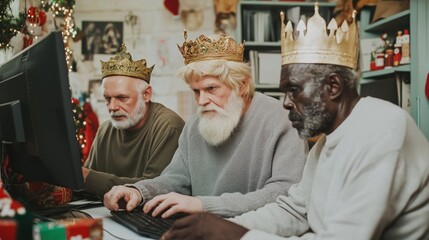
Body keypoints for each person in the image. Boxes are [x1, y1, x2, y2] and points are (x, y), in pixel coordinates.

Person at [159, 6, 429, 240]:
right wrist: (216, 227)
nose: (286, 102)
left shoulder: (383, 127)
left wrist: (236, 235)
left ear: (333, 86)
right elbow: (294, 210)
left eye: (294, 90)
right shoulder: (325, 143)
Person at [103, 32, 307, 218]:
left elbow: (285, 191)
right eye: (196, 91)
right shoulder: (195, 125)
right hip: (201, 229)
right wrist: (138, 191)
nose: (201, 101)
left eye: (211, 89)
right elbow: (176, 179)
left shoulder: (284, 120)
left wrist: (204, 205)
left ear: (242, 85)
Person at [81, 44, 185, 199]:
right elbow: (85, 184)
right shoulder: (105, 130)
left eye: (122, 98)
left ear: (146, 94)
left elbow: (153, 187)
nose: (112, 107)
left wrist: (87, 177)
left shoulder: (168, 126)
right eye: (107, 98)